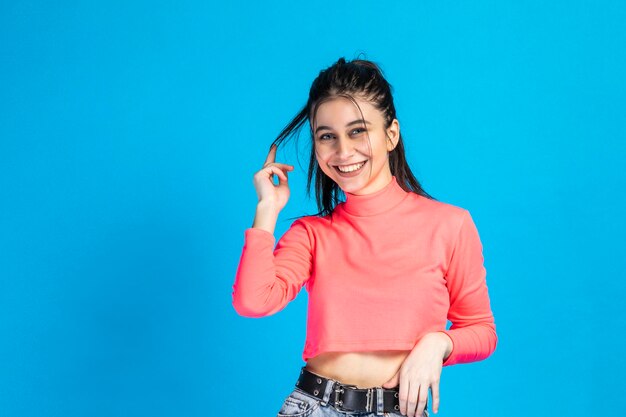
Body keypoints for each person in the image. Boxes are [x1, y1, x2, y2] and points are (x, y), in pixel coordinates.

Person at [231, 57, 498, 417]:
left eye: (358, 131)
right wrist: (267, 211)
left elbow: (481, 330)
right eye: (327, 136)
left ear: (391, 134)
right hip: (313, 406)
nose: (343, 151)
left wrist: (439, 342)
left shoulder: (449, 225)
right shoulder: (311, 234)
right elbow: (253, 302)